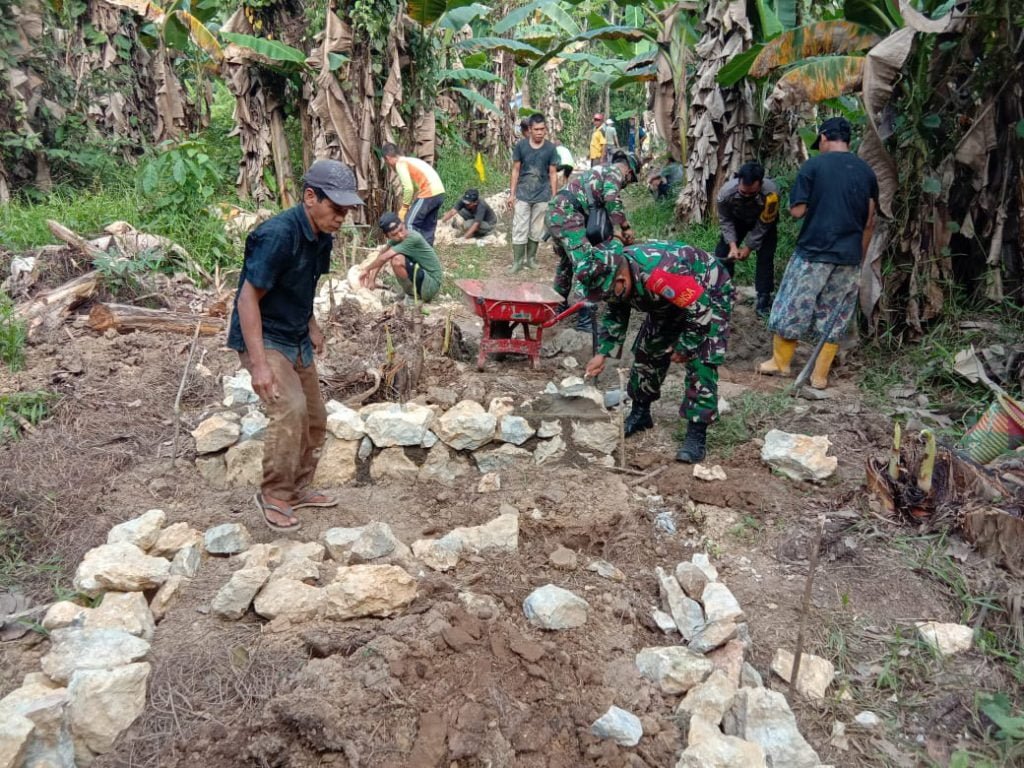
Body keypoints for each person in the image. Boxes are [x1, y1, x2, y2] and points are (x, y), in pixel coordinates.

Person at [227, 159, 364, 532]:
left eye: (347, 211)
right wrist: (258, 365)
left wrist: (312, 324)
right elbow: (246, 299)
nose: (341, 218)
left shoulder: (322, 237)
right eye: (335, 209)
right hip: (265, 335)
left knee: (315, 418)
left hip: (296, 334)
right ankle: (273, 494)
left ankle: (298, 487)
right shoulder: (277, 235)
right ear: (309, 197)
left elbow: (303, 285)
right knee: (289, 409)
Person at [577, 241, 733, 463]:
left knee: (701, 360)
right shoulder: (618, 278)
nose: (605, 299)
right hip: (669, 300)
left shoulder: (660, 274)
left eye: (606, 294)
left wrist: (685, 346)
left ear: (621, 281)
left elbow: (700, 310)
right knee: (648, 350)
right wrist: (602, 353)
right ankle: (641, 413)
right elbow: (616, 311)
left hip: (708, 294)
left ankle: (696, 434)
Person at [758, 116, 878, 389]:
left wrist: (820, 205)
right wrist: (859, 256)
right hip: (849, 256)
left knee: (793, 305)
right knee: (834, 313)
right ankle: (820, 376)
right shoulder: (866, 171)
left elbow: (797, 210)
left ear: (824, 137)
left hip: (813, 252)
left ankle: (781, 363)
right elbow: (870, 220)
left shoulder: (813, 166)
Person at [545, 149, 640, 331]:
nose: (626, 185)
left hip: (557, 212)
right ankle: (585, 319)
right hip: (568, 215)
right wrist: (625, 227)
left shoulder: (600, 171)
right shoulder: (614, 173)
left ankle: (557, 306)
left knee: (566, 263)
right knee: (586, 264)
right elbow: (612, 199)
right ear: (629, 172)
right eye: (630, 181)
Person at [715, 162, 780, 318]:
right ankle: (722, 291)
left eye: (752, 193)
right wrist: (733, 246)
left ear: (761, 184)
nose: (747, 196)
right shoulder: (725, 194)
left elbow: (764, 224)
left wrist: (748, 248)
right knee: (722, 254)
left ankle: (764, 299)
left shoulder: (772, 194)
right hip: (737, 220)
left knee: (765, 257)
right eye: (743, 193)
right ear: (739, 181)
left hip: (763, 222)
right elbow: (725, 220)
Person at [509, 113, 558, 272]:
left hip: (542, 195)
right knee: (519, 227)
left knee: (536, 229)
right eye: (536, 129)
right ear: (529, 129)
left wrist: (554, 196)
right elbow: (515, 170)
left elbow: (553, 173)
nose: (539, 132)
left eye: (542, 129)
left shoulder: (550, 148)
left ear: (546, 129)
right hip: (523, 193)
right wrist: (512, 194)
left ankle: (531, 259)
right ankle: (517, 262)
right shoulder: (521, 146)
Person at [361, 213, 444, 303]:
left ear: (404, 224)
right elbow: (382, 253)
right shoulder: (396, 240)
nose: (400, 235)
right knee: (395, 257)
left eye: (401, 229)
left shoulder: (412, 238)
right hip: (423, 278)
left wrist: (366, 269)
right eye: (394, 234)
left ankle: (413, 296)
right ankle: (411, 293)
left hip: (431, 283)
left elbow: (384, 258)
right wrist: (372, 279)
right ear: (387, 236)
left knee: (397, 260)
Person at [381, 143, 446, 246]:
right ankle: (427, 254)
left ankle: (411, 251)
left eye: (386, 162)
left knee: (409, 223)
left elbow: (408, 188)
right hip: (439, 193)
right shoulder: (410, 161)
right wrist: (413, 203)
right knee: (427, 227)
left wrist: (405, 207)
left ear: (388, 158)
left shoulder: (400, 163)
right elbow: (416, 187)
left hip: (428, 193)